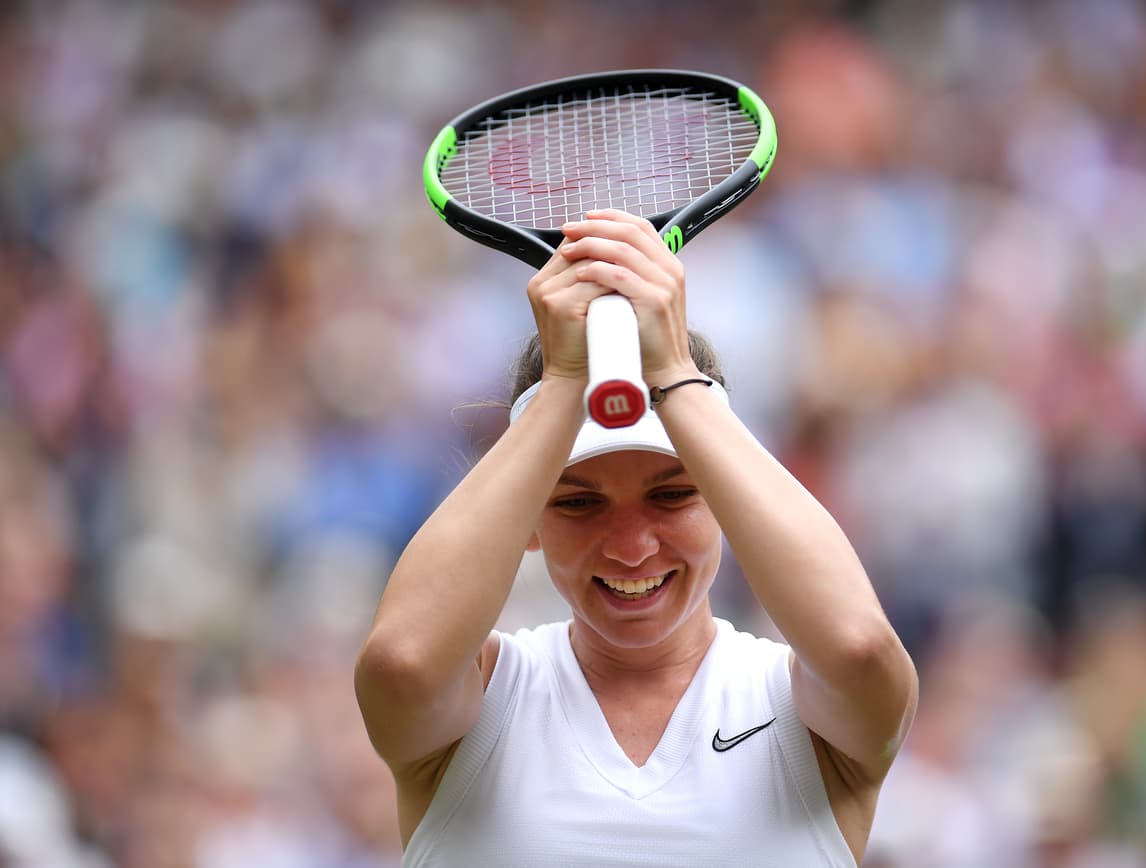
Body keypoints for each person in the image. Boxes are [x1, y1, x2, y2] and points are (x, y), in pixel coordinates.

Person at [354, 210, 918, 867]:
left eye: (672, 495)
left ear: (731, 504)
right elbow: (400, 664)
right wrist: (564, 383)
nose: (631, 546)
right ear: (525, 521)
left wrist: (673, 370)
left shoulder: (799, 706)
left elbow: (860, 649)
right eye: (578, 502)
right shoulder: (480, 703)